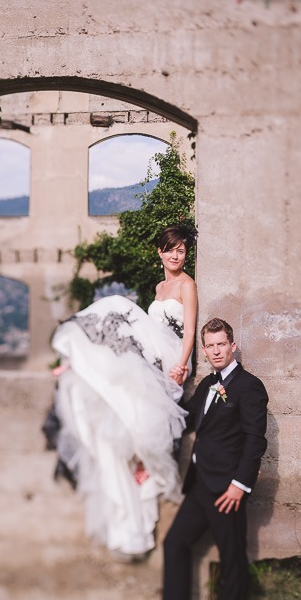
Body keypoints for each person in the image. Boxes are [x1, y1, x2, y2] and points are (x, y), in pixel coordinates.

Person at [50, 224, 197, 560]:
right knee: (117, 330)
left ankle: (78, 355)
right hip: (154, 348)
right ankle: (76, 360)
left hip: (171, 353)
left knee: (118, 304)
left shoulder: (186, 285)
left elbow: (189, 328)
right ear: (159, 252)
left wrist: (183, 363)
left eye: (181, 249)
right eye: (171, 249)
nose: (176, 255)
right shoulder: (160, 286)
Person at [139, 318, 268, 600]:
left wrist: (240, 485)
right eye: (209, 346)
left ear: (232, 345)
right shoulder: (207, 384)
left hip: (227, 490)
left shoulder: (249, 387)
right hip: (199, 487)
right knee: (175, 544)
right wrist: (174, 388)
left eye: (220, 344)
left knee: (232, 559)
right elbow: (183, 419)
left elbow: (255, 441)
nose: (215, 351)